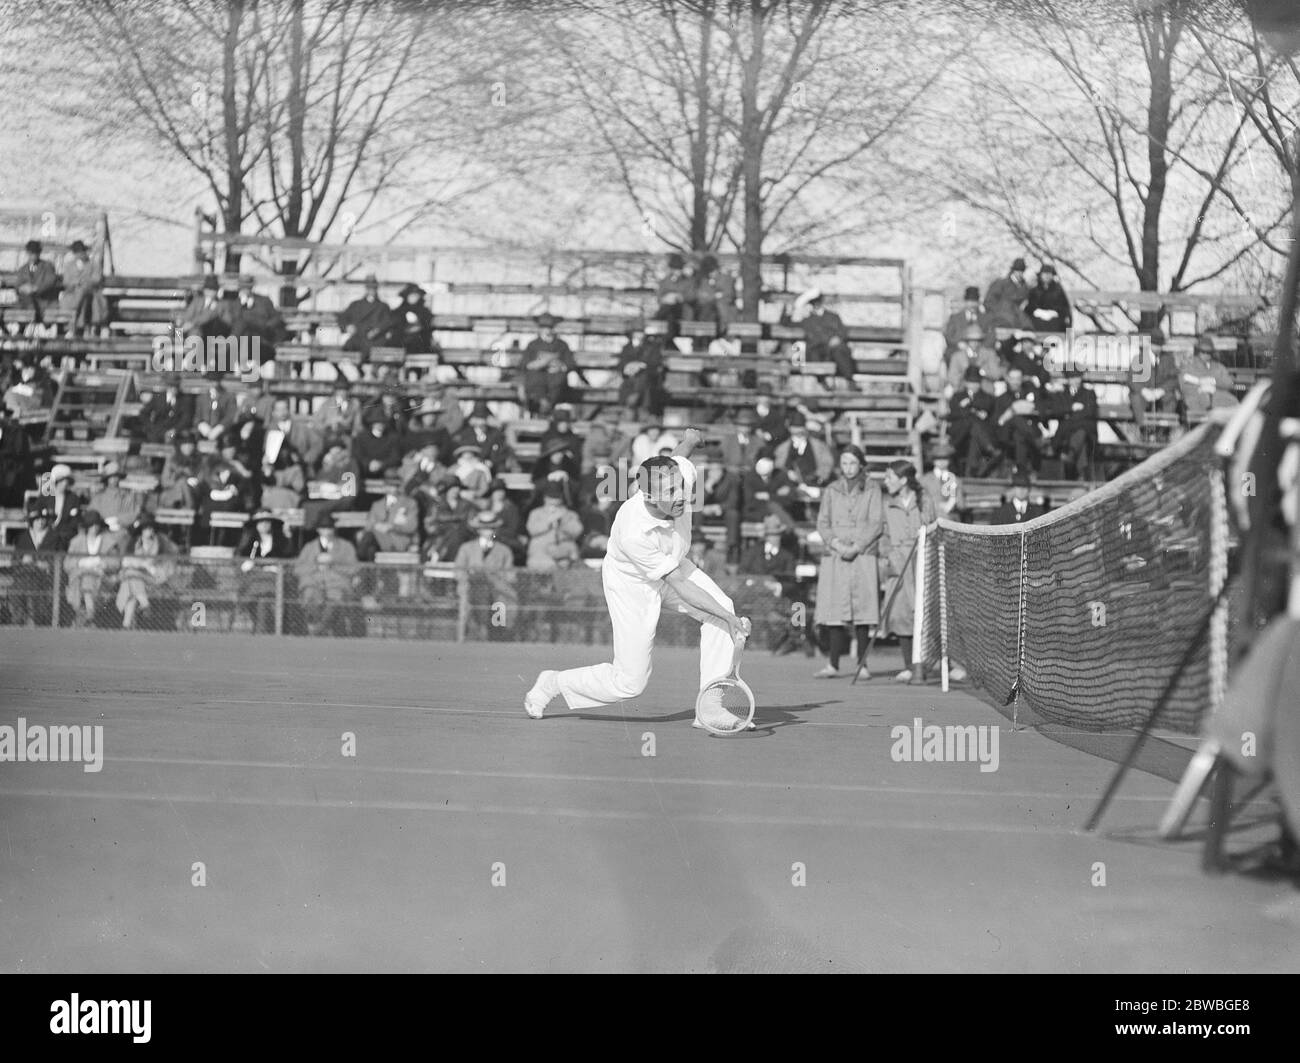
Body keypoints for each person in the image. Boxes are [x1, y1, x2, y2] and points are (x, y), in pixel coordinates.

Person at [523, 430, 753, 729]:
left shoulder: (679, 474)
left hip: (672, 563)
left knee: (722, 608)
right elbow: (680, 585)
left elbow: (680, 456)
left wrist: (691, 438)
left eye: (680, 487)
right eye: (669, 492)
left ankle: (710, 707)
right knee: (630, 682)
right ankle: (552, 683)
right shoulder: (633, 532)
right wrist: (728, 617)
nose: (681, 495)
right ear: (648, 495)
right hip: (632, 584)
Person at [813, 445, 886, 679]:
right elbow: (822, 522)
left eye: (852, 463)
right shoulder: (832, 489)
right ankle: (833, 664)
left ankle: (862, 665)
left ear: (861, 464)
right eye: (844, 463)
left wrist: (856, 546)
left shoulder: (873, 489)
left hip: (862, 555)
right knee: (835, 610)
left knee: (863, 611)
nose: (848, 468)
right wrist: (836, 544)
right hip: (836, 555)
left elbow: (876, 522)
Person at [879, 461, 936, 681]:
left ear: (903, 480)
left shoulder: (925, 500)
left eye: (889, 477)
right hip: (897, 563)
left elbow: (932, 528)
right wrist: (888, 557)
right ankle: (908, 665)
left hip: (920, 563)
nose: (886, 481)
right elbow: (883, 534)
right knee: (899, 614)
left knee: (922, 614)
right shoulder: (887, 503)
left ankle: (929, 664)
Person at [294, 512, 360, 636]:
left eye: (329, 527)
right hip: (313, 586)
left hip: (337, 586)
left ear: (334, 529)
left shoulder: (346, 547)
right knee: (310, 597)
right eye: (324, 528)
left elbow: (354, 568)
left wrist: (333, 562)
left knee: (335, 602)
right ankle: (320, 630)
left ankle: (316, 631)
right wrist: (316, 564)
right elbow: (298, 569)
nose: (327, 531)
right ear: (318, 530)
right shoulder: (309, 547)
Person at [115, 514, 179, 630]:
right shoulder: (133, 543)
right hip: (137, 579)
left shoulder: (160, 541)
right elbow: (125, 561)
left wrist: (157, 566)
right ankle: (130, 621)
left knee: (130, 578)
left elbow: (174, 553)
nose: (150, 530)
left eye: (151, 528)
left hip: (154, 578)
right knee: (132, 581)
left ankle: (141, 608)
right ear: (141, 531)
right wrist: (143, 564)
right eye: (147, 528)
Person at [63, 509, 124, 627]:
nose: (94, 527)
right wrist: (81, 562)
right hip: (78, 581)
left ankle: (87, 616)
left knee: (88, 579)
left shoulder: (109, 541)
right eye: (91, 524)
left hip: (102, 581)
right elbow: (67, 564)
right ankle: (90, 616)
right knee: (86, 578)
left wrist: (101, 562)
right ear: (87, 526)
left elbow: (116, 563)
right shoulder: (77, 542)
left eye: (97, 524)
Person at [237, 510, 293, 633]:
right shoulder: (250, 544)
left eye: (267, 521)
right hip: (254, 580)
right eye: (260, 522)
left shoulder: (281, 542)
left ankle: (261, 629)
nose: (264, 524)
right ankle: (263, 628)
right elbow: (242, 564)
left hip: (275, 581)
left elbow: (286, 561)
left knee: (263, 598)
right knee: (261, 598)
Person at [519, 313, 584, 416]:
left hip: (556, 383)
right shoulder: (533, 345)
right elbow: (524, 365)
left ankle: (547, 407)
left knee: (558, 381)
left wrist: (560, 366)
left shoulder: (561, 345)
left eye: (550, 327)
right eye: (544, 327)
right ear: (540, 329)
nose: (547, 330)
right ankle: (540, 407)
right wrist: (539, 364)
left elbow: (570, 364)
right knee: (534, 381)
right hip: (537, 384)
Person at [946, 366, 1001, 477]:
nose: (973, 385)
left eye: (976, 382)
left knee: (974, 436)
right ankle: (989, 447)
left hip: (979, 434)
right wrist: (973, 411)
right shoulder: (957, 396)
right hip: (960, 434)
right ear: (966, 382)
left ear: (980, 383)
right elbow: (953, 414)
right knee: (972, 422)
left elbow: (990, 413)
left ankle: (970, 473)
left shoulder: (988, 398)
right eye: (971, 382)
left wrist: (969, 407)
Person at [1049, 366, 1099, 479]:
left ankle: (1070, 456)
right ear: (1068, 379)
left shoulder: (1089, 393)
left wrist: (1068, 417)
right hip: (1066, 436)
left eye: (1078, 377)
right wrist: (1071, 408)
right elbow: (1056, 411)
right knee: (1082, 440)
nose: (1076, 380)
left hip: (1081, 433)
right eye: (1072, 377)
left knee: (1082, 431)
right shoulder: (1061, 394)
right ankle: (1080, 475)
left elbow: (1090, 412)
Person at [797, 288, 855, 387]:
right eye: (813, 302)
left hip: (833, 350)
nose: (816, 304)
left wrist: (837, 338)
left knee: (839, 350)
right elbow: (787, 323)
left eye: (817, 301)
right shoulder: (807, 320)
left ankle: (848, 380)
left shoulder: (832, 317)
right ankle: (824, 382)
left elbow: (842, 331)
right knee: (815, 353)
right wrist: (795, 308)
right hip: (818, 350)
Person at [993, 365, 1043, 473]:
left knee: (1019, 435)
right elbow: (997, 422)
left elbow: (1041, 412)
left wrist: (1029, 410)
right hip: (1006, 435)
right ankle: (1035, 441)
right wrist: (1010, 412)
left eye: (1018, 379)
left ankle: (1021, 470)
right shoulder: (1001, 399)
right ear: (1008, 379)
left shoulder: (1029, 395)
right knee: (1015, 419)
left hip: (1023, 433)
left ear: (1022, 379)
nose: (1015, 382)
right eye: (1013, 378)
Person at [228, 275, 287, 366]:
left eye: (248, 287)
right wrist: (242, 306)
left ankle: (242, 362)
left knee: (247, 328)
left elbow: (277, 318)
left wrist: (265, 325)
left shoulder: (263, 301)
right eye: (243, 287)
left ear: (252, 287)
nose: (245, 290)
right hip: (243, 340)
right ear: (239, 289)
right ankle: (246, 366)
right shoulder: (235, 304)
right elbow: (232, 323)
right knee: (244, 329)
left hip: (261, 337)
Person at [525, 481, 584, 571]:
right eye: (550, 498)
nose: (553, 501)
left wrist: (563, 521)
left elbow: (577, 531)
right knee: (547, 565)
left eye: (556, 498)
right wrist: (548, 521)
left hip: (565, 550)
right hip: (541, 551)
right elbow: (531, 530)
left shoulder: (569, 514)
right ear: (545, 498)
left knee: (572, 565)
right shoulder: (536, 513)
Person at [338, 274, 393, 363]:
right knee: (348, 348)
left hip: (375, 339)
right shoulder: (356, 305)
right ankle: (359, 371)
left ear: (377, 289)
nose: (371, 290)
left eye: (374, 288)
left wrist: (376, 330)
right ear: (366, 289)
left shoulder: (383, 307)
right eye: (369, 287)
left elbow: (387, 323)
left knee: (368, 350)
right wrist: (347, 326)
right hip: (358, 337)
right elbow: (342, 318)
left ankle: (365, 371)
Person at [616, 325, 667, 416]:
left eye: (640, 332)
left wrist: (641, 365)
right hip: (630, 381)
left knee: (644, 387)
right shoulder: (627, 348)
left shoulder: (652, 347)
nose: (638, 335)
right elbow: (622, 366)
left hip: (647, 383)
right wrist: (629, 367)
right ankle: (631, 403)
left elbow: (656, 363)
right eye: (636, 332)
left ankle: (637, 399)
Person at [60, 239, 106, 337]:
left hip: (90, 293)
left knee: (83, 293)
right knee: (80, 296)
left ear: (85, 252)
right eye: (77, 252)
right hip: (73, 294)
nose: (79, 255)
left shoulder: (93, 264)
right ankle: (80, 326)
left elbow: (97, 278)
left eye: (81, 252)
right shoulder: (69, 265)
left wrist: (84, 282)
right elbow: (66, 281)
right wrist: (76, 282)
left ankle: (73, 326)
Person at [12, 240, 60, 323]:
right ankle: (19, 332)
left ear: (39, 253)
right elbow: (17, 285)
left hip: (45, 302)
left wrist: (35, 288)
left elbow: (50, 281)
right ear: (27, 253)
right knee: (20, 309)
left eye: (36, 253)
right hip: (26, 304)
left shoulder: (47, 266)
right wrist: (22, 288)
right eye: (31, 253)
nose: (33, 256)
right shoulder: (23, 269)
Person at [88, 461, 143, 533]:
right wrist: (104, 522)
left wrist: (118, 520)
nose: (114, 480)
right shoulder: (98, 498)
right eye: (111, 477)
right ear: (106, 479)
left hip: (123, 533)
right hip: (103, 534)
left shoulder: (127, 497)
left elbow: (135, 513)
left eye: (116, 476)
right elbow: (91, 515)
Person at [920, 440, 965, 521]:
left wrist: (952, 503)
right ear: (933, 460)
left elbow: (961, 505)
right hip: (931, 519)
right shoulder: (925, 480)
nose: (941, 462)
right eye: (938, 458)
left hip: (951, 520)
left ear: (949, 460)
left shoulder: (955, 480)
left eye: (944, 458)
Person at [942, 286, 990, 359]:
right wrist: (958, 343)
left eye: (975, 302)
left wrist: (978, 346)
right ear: (965, 302)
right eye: (970, 302)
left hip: (979, 351)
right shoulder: (955, 318)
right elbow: (949, 335)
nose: (972, 305)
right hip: (958, 350)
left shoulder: (985, 318)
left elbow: (990, 336)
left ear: (978, 303)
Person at [984, 258, 1031, 332]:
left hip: (1018, 315)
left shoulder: (1025, 287)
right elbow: (989, 301)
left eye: (1021, 271)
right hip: (1001, 314)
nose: (1019, 273)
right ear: (1013, 271)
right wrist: (998, 311)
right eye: (1017, 271)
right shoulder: (1001, 283)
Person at [390, 283, 437, 355]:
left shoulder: (424, 312)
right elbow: (396, 326)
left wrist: (418, 323)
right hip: (402, 343)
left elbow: (427, 327)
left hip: (420, 344)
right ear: (406, 296)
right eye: (411, 295)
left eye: (416, 295)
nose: (413, 297)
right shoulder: (400, 311)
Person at [1025, 263, 1072, 333]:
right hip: (1037, 318)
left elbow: (1065, 306)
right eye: (1045, 274)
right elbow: (1029, 306)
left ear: (1052, 276)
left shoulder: (1058, 289)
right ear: (1041, 275)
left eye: (1049, 274)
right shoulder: (1034, 289)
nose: (1047, 276)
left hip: (1055, 318)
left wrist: (1054, 312)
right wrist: (1038, 312)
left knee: (1060, 325)